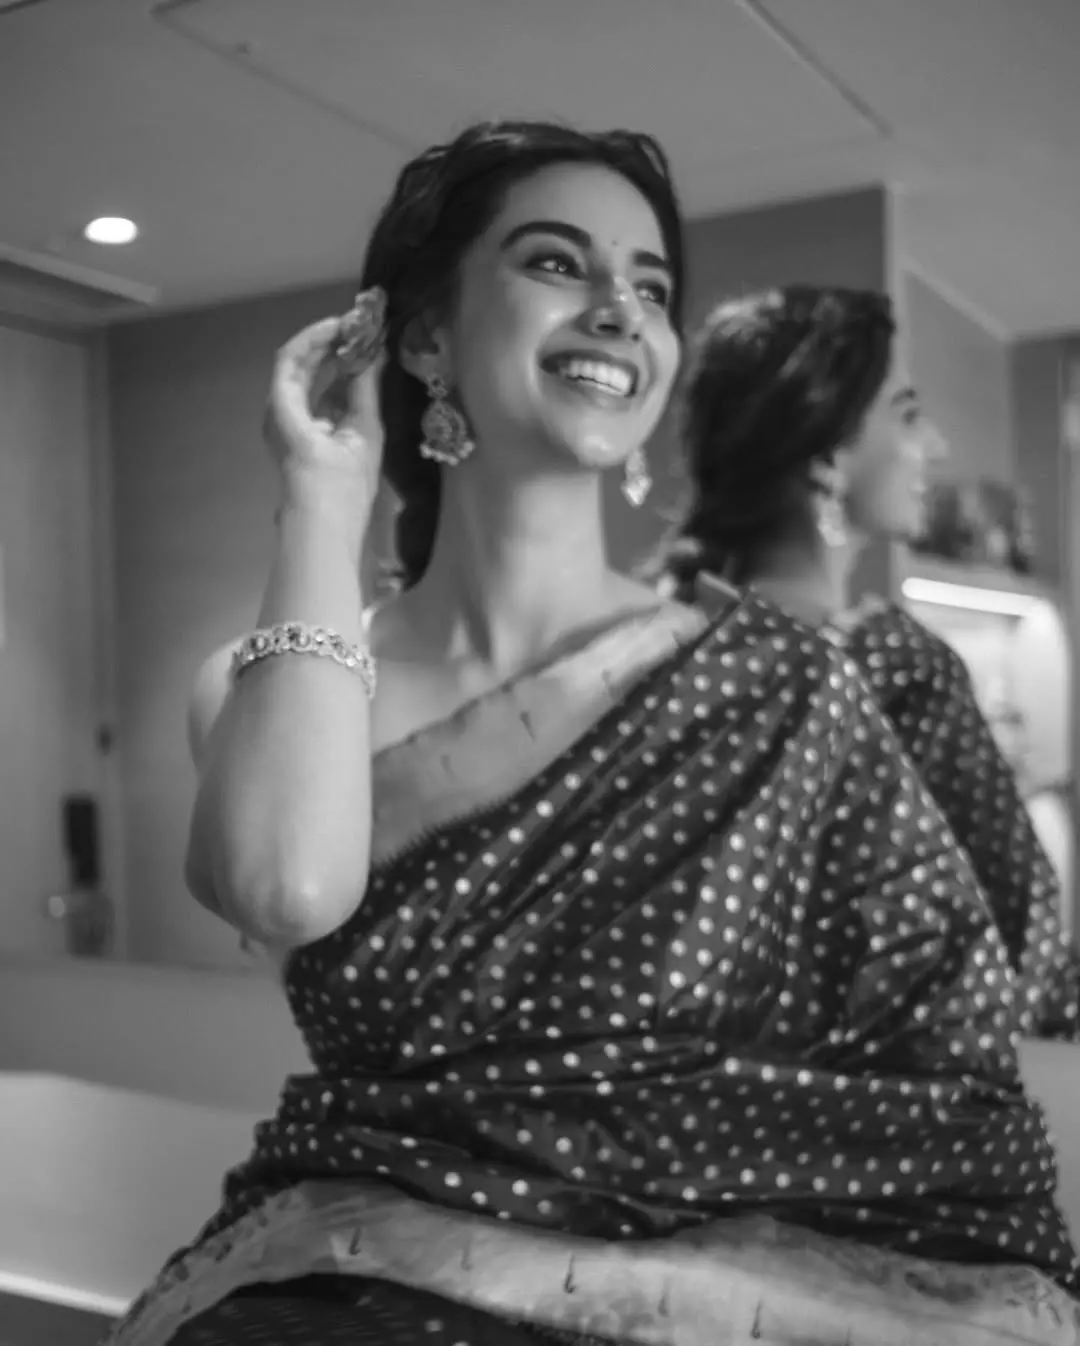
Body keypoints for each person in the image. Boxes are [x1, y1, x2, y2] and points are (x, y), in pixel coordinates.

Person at [105, 130, 1079, 1346]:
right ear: (423, 335)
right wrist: (321, 497)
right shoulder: (268, 688)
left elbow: (950, 1058)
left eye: (652, 287)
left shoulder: (778, 690)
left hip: (714, 1303)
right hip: (355, 1283)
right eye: (558, 263)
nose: (620, 308)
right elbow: (281, 888)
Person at [657, 284, 1080, 1042]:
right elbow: (1030, 945)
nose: (935, 446)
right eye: (909, 414)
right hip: (861, 1100)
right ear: (828, 456)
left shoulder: (648, 645)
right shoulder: (893, 668)